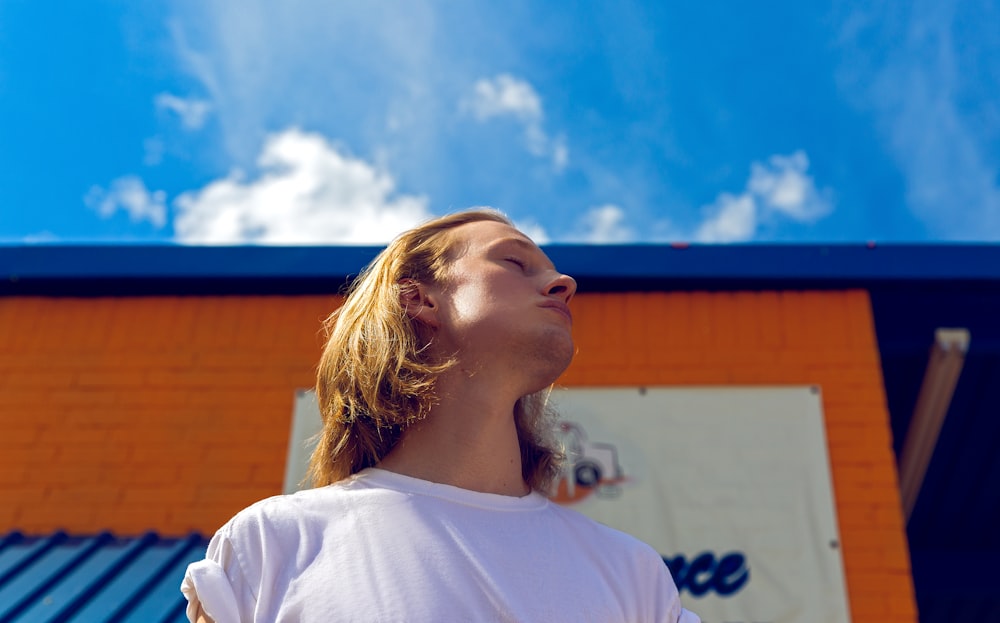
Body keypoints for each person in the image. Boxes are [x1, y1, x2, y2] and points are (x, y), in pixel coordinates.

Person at [181, 208, 699, 622]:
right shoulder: (271, 547)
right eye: (515, 263)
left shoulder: (634, 577)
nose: (564, 282)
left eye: (555, 272)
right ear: (420, 298)